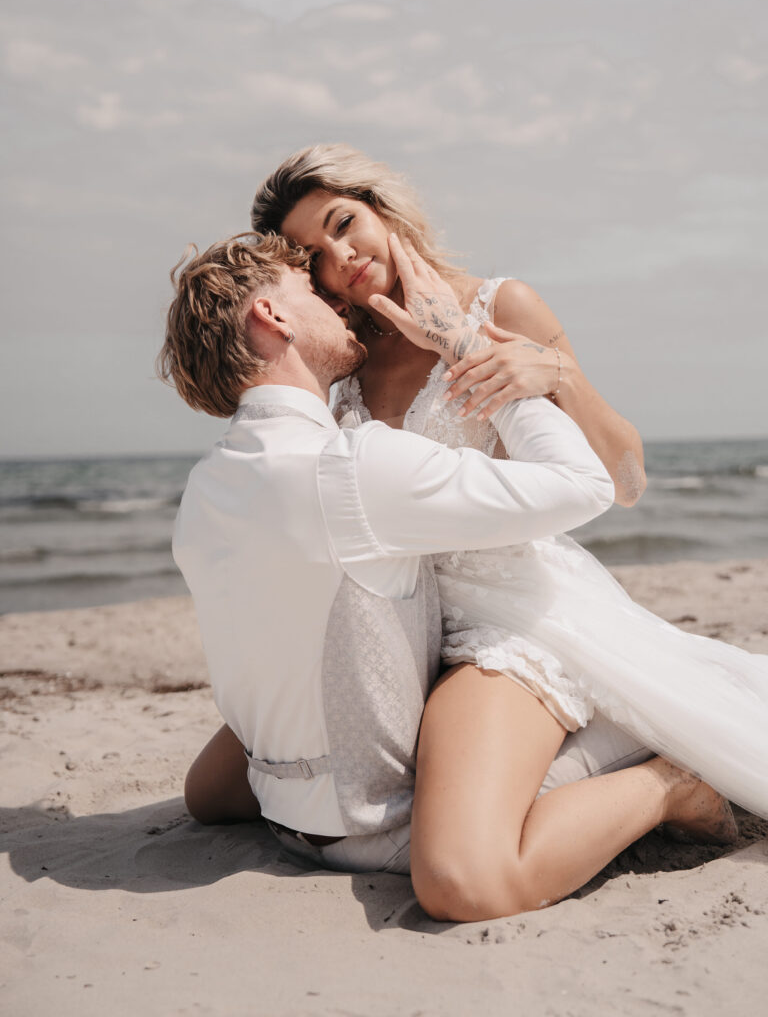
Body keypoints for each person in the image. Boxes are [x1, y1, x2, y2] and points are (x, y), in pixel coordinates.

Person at [160, 231, 734, 922]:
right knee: (463, 879)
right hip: (371, 822)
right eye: (309, 288)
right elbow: (582, 484)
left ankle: (647, 766)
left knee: (218, 791)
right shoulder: (351, 465)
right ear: (272, 316)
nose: (336, 299)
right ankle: (670, 782)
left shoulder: (203, 489)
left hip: (302, 806)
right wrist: (467, 347)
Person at [243, 143, 768, 836]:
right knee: (220, 792)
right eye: (314, 256)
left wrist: (559, 376)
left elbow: (628, 482)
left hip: (508, 616)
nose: (342, 256)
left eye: (344, 224)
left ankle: (649, 772)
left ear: (381, 209)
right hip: (398, 623)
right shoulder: (343, 356)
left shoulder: (500, 303)